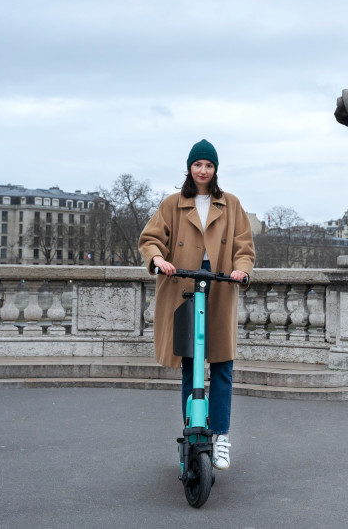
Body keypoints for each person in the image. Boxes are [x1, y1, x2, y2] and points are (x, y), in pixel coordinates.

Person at [139, 139, 255, 471]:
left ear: (215, 169)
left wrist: (241, 270)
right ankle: (192, 433)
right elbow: (150, 238)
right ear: (189, 168)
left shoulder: (231, 204)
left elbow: (244, 247)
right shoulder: (172, 204)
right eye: (198, 164)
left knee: (222, 365)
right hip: (183, 283)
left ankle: (221, 437)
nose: (203, 170)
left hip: (220, 284)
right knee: (190, 365)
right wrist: (158, 259)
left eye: (209, 165)